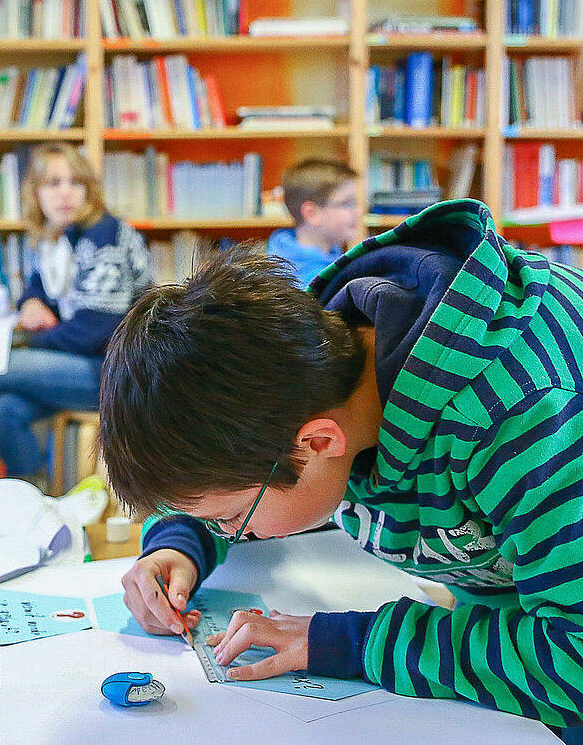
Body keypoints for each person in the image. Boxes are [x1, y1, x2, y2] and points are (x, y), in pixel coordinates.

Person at [99, 199, 583, 737]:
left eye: (231, 518)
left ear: (318, 442)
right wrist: (178, 541)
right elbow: (243, 473)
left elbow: (576, 660)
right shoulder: (301, 373)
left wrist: (349, 643)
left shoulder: (521, 416)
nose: (230, 534)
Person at [0, 144, 154, 484]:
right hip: (85, 366)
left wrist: (32, 341)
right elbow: (37, 287)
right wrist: (31, 303)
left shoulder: (103, 235)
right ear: (36, 193)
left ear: (89, 190)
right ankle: (31, 495)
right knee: (7, 409)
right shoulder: (56, 239)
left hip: (121, 375)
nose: (66, 193)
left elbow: (97, 327)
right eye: (53, 182)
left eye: (76, 182)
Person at [267, 158, 361, 287]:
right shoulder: (299, 281)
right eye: (347, 204)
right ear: (312, 213)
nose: (358, 211)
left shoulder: (331, 254)